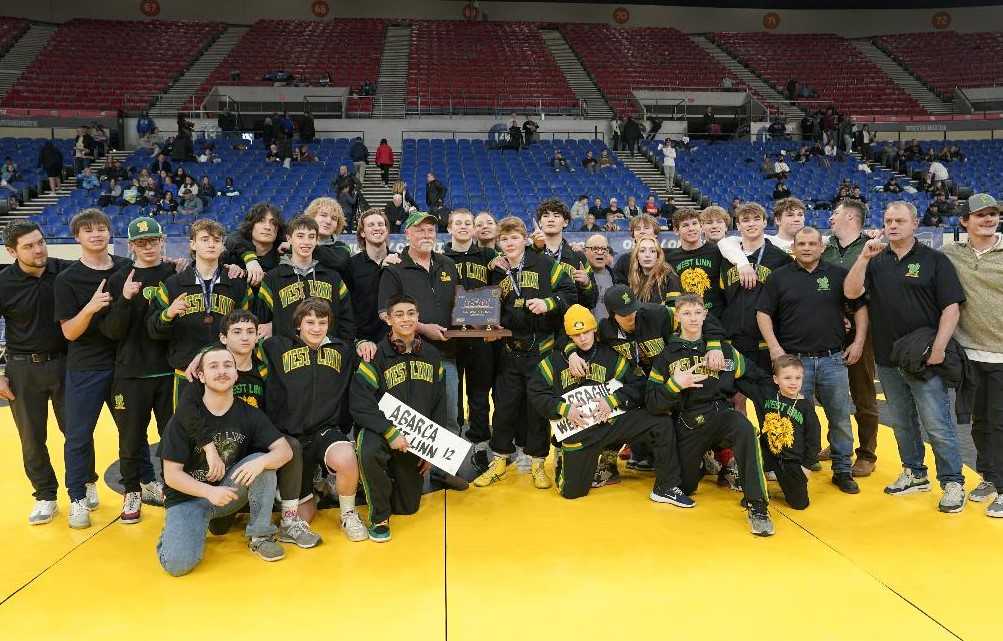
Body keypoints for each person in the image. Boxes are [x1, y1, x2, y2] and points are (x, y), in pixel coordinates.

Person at [844, 201, 967, 513]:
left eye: (900, 220)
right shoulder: (876, 260)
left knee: (936, 423)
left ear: (914, 224)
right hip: (887, 357)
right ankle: (914, 473)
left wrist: (939, 348)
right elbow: (851, 292)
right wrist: (862, 257)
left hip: (925, 356)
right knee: (902, 422)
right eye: (888, 220)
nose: (893, 225)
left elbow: (952, 307)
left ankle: (953, 481)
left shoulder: (935, 260)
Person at [529, 304, 689, 504]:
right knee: (572, 492)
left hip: (610, 424)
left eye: (586, 331)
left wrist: (612, 400)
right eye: (577, 334)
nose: (583, 338)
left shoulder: (611, 356)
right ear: (569, 336)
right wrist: (564, 408)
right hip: (580, 430)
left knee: (660, 422)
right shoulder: (554, 361)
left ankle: (666, 486)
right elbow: (535, 392)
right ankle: (565, 458)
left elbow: (639, 385)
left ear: (594, 329)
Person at [156, 346, 292, 576]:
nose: (222, 371)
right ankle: (176, 529)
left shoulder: (250, 414)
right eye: (213, 366)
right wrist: (209, 492)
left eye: (228, 365)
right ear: (201, 376)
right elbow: (171, 475)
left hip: (228, 494)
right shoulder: (184, 419)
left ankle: (260, 535)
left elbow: (285, 451)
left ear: (236, 373)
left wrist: (261, 463)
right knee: (177, 566)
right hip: (189, 499)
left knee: (262, 462)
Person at [646, 294, 775, 536]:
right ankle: (704, 461)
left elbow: (757, 377)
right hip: (688, 424)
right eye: (687, 313)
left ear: (705, 315)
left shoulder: (723, 350)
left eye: (697, 312)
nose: (693, 318)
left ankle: (757, 506)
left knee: (744, 428)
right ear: (677, 317)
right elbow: (652, 403)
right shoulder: (666, 357)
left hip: (720, 414)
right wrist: (675, 385)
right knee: (686, 486)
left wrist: (776, 402)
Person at [756, 227, 866, 494]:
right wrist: (774, 348)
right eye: (801, 243)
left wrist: (859, 341)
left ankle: (842, 470)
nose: (806, 248)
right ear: (793, 247)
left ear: (821, 247)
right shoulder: (779, 278)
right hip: (795, 363)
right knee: (793, 419)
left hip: (832, 359)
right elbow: (762, 313)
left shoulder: (837, 275)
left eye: (812, 243)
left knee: (839, 417)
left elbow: (860, 308)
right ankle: (795, 466)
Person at [473, 216, 576, 489]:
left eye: (514, 237)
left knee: (536, 411)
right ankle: (498, 464)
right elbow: (488, 303)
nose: (509, 243)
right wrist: (489, 320)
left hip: (540, 351)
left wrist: (548, 302)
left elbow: (570, 292)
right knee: (504, 409)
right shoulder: (496, 269)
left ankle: (538, 464)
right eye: (504, 239)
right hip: (509, 350)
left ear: (525, 239)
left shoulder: (544, 264)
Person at [259, 298, 367, 543]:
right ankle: (310, 485)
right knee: (305, 516)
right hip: (290, 437)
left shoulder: (342, 350)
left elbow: (368, 359)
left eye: (322, 322)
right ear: (298, 324)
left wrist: (364, 342)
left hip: (324, 431)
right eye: (310, 322)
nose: (316, 328)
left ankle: (348, 514)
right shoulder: (276, 347)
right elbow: (237, 350)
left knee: (347, 457)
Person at [54, 210, 132, 528]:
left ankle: (136, 488)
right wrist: (90, 308)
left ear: (110, 233)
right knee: (78, 436)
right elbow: (69, 332)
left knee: (131, 432)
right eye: (88, 230)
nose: (96, 234)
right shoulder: (67, 279)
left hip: (124, 365)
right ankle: (78, 496)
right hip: (86, 368)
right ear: (77, 238)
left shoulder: (127, 268)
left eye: (101, 228)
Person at [351, 294, 447, 542]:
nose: (406, 319)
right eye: (399, 314)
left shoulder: (433, 356)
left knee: (407, 507)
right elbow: (360, 403)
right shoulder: (376, 356)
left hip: (414, 437)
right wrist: (390, 432)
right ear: (388, 319)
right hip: (382, 432)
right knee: (368, 448)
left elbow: (439, 404)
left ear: (418, 317)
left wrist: (431, 449)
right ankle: (378, 516)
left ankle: (382, 483)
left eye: (411, 313)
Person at [100, 218, 175, 523]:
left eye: (153, 241)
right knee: (131, 438)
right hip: (130, 371)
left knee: (172, 436)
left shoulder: (175, 273)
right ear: (131, 245)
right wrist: (126, 299)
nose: (148, 247)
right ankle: (133, 490)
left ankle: (173, 487)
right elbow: (111, 331)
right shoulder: (119, 279)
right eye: (141, 242)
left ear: (163, 241)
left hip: (169, 369)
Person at [377, 213, 466, 469]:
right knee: (412, 416)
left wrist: (476, 320)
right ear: (407, 234)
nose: (426, 235)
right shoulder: (394, 268)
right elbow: (385, 313)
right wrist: (423, 328)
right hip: (406, 356)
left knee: (449, 413)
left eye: (430, 230)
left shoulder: (447, 264)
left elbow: (460, 305)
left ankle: (445, 471)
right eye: (420, 230)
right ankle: (405, 470)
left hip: (446, 353)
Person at [0, 222, 72, 525]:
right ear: (11, 251)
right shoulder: (3, 283)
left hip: (67, 363)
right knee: (31, 438)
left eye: (41, 242)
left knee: (76, 432)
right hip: (21, 368)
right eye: (29, 246)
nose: (38, 249)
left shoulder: (66, 271)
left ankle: (84, 485)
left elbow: (109, 266)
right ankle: (45, 495)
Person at [942, 194, 1003, 516]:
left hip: (1002, 354)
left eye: (993, 214)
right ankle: (990, 477)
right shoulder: (952, 253)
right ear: (965, 221)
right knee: (979, 423)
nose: (989, 220)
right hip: (970, 354)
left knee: (999, 422)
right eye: (981, 215)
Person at [149, 219, 252, 407]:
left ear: (223, 245)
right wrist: (168, 314)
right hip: (186, 373)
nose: (211, 244)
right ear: (193, 244)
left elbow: (246, 330)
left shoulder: (237, 284)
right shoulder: (173, 284)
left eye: (216, 240)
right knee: (187, 432)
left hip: (225, 372)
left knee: (226, 431)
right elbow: (153, 330)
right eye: (204, 239)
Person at [822, 199, 879, 476]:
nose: (830, 218)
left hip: (861, 329)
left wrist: (858, 330)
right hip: (829, 328)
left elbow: (873, 295)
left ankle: (867, 453)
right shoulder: (825, 247)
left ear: (852, 217)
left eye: (835, 213)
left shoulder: (873, 248)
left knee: (863, 392)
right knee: (830, 393)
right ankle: (837, 443)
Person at [257, 215, 361, 349]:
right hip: (288, 359)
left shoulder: (333, 277)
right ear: (289, 239)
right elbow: (261, 320)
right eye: (300, 236)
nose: (306, 242)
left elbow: (347, 320)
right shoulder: (273, 278)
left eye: (311, 236)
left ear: (317, 240)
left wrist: (342, 349)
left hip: (328, 356)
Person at [735, 355, 821, 510]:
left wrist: (807, 466)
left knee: (800, 504)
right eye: (787, 378)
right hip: (767, 452)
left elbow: (814, 440)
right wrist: (727, 370)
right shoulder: (767, 395)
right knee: (753, 455)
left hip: (791, 460)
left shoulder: (805, 407)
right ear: (776, 379)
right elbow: (741, 384)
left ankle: (783, 479)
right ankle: (755, 493)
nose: (793, 382)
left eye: (797, 378)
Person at [443, 209, 497, 453]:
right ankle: (452, 440)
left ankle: (480, 440)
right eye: (458, 223)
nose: (463, 227)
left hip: (480, 336)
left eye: (468, 223)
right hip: (450, 335)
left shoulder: (487, 255)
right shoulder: (440, 255)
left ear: (474, 229)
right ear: (449, 228)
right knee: (452, 392)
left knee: (479, 391)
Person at [720, 203, 793, 376]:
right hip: (733, 338)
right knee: (733, 395)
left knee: (766, 394)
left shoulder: (781, 258)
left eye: (756, 219)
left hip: (765, 340)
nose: (751, 224)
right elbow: (721, 297)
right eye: (745, 220)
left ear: (764, 223)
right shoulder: (726, 258)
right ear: (738, 226)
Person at [529, 198, 597, 309]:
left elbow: (592, 302)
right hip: (536, 320)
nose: (551, 219)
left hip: (569, 323)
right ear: (540, 222)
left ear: (565, 222)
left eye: (556, 216)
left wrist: (586, 284)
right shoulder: (528, 255)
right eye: (546, 216)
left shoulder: (578, 256)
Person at [666, 209, 725, 316]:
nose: (691, 228)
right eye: (685, 225)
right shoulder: (670, 258)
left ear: (701, 226)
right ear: (675, 230)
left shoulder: (717, 251)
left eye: (694, 223)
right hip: (688, 319)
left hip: (717, 318)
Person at [351, 208, 394, 346]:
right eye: (371, 225)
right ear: (362, 233)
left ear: (386, 230)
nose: (377, 228)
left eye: (381, 224)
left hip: (396, 340)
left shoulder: (400, 261)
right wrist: (358, 341)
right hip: (363, 343)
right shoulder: (351, 265)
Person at [224, 203, 285, 287]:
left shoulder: (284, 256)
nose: (267, 227)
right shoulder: (233, 252)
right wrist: (250, 260)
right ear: (251, 225)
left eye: (273, 223)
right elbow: (232, 238)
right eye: (261, 221)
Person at [627, 237, 681, 305]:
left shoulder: (669, 279)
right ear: (637, 256)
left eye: (652, 251)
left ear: (658, 256)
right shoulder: (635, 278)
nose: (647, 255)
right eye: (642, 251)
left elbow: (674, 309)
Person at [584, 234, 614, 321]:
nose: (600, 252)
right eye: (595, 249)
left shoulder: (616, 277)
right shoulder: (577, 277)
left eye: (604, 249)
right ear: (585, 251)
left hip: (610, 331)